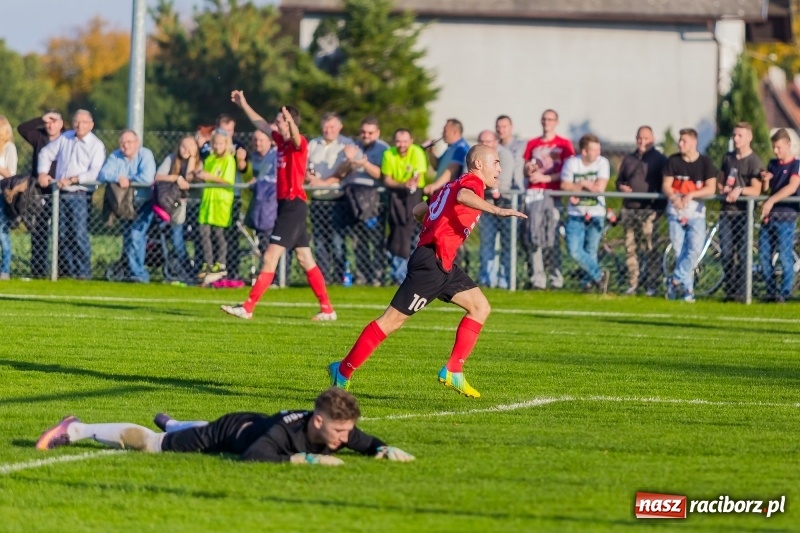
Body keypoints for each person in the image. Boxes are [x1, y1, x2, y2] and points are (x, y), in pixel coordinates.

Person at [327, 145, 527, 398]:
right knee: (391, 321)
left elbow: (417, 211)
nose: (499, 168)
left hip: (443, 261)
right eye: (496, 162)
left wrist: (437, 225)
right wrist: (498, 211)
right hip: (431, 262)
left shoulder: (449, 186)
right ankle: (342, 371)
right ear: (478, 164)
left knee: (480, 307)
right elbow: (465, 196)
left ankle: (453, 370)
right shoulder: (471, 183)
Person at [35, 387, 414, 465]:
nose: (345, 440)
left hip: (248, 423)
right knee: (153, 444)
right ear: (318, 421)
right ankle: (77, 429)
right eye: (339, 432)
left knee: (175, 431)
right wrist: (307, 462)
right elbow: (255, 456)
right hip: (231, 433)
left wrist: (382, 449)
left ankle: (176, 422)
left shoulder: (335, 429)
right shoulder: (283, 434)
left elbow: (362, 440)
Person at [222, 90, 336, 321]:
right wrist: (243, 103)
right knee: (305, 259)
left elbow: (295, 137)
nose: (275, 123)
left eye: (280, 120)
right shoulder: (280, 142)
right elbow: (261, 123)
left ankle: (248, 307)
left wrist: (291, 123)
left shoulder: (298, 143)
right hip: (287, 206)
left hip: (294, 205)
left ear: (289, 122)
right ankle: (327, 309)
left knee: (270, 257)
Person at [310, 116, 389, 286]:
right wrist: (350, 161)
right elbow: (344, 173)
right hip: (353, 197)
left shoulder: (384, 149)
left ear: (378, 133)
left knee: (375, 239)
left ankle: (377, 276)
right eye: (363, 132)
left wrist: (363, 164)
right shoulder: (355, 146)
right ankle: (361, 275)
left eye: (370, 132)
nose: (366, 135)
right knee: (357, 240)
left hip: (373, 198)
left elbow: (383, 176)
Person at [37, 109, 106, 280]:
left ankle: (83, 272)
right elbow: (45, 153)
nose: (79, 125)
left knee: (78, 234)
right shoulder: (66, 137)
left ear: (91, 125)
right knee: (61, 234)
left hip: (80, 195)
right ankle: (67, 271)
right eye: (76, 121)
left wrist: (73, 179)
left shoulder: (96, 145)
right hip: (60, 192)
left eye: (83, 122)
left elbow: (96, 173)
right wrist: (42, 173)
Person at [662, 128, 718, 303]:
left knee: (694, 250)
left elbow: (711, 188)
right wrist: (672, 196)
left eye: (684, 141)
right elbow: (666, 185)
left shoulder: (705, 163)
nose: (680, 144)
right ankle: (688, 290)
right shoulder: (673, 161)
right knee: (679, 252)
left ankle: (674, 280)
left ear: (694, 142)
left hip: (696, 214)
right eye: (680, 140)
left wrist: (692, 194)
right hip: (675, 213)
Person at [522, 109, 575, 290]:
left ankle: (556, 278)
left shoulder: (564, 143)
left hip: (554, 195)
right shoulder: (533, 143)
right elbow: (524, 169)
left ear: (556, 122)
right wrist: (529, 169)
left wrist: (547, 179)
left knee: (552, 236)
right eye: (544, 119)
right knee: (534, 235)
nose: (547, 122)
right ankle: (538, 279)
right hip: (535, 194)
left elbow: (569, 171)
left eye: (550, 119)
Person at [97, 130, 157, 283]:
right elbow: (104, 174)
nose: (125, 145)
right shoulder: (115, 156)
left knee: (136, 235)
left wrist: (128, 180)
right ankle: (132, 271)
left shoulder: (146, 155)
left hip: (144, 203)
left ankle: (139, 274)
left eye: (129, 142)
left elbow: (147, 178)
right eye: (122, 142)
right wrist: (118, 177)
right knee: (129, 238)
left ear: (137, 143)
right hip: (124, 204)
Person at [616, 126, 668, 296]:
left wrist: (658, 210)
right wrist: (621, 187)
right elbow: (619, 181)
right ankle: (633, 283)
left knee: (650, 248)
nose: (642, 141)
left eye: (646, 138)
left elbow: (665, 185)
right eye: (639, 138)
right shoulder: (629, 158)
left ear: (652, 139)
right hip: (630, 208)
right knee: (630, 248)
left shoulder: (659, 159)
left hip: (649, 210)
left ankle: (652, 284)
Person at [717, 123, 763, 302]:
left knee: (744, 254)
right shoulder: (728, 158)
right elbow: (720, 181)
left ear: (749, 137)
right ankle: (730, 291)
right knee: (727, 253)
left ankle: (743, 292)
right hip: (727, 213)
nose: (736, 139)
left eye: (740, 136)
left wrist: (739, 190)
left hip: (743, 214)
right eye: (734, 135)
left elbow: (756, 190)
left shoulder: (754, 161)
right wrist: (723, 189)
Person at [560, 133, 611, 293]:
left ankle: (588, 285)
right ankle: (599, 275)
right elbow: (564, 186)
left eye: (598, 149)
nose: (597, 153)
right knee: (574, 250)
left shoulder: (602, 162)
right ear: (584, 151)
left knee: (591, 250)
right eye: (594, 150)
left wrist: (577, 189)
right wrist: (583, 183)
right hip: (576, 214)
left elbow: (599, 188)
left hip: (596, 212)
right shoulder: (572, 163)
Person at [17, 110, 65, 278]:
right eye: (47, 122)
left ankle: (63, 269)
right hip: (39, 191)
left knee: (63, 231)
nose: (50, 125)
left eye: (54, 121)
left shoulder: (67, 139)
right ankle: (38, 269)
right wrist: (40, 118)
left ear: (61, 123)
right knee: (38, 229)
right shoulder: (39, 138)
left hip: (61, 190)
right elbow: (22, 129)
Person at [307, 112, 352, 283]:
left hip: (336, 199)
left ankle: (340, 276)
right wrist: (311, 178)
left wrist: (323, 182)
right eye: (326, 126)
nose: (328, 130)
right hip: (317, 199)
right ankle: (323, 277)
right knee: (319, 241)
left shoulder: (346, 145)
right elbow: (306, 166)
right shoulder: (314, 144)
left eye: (332, 126)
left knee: (337, 241)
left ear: (340, 127)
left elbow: (345, 172)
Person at [758, 128, 800, 302]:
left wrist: (771, 201)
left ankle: (785, 293)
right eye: (774, 147)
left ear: (788, 145)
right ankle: (770, 292)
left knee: (784, 255)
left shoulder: (796, 165)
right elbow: (766, 190)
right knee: (764, 256)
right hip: (770, 217)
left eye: (779, 147)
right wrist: (765, 180)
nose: (775, 151)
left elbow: (792, 187)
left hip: (787, 217)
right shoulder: (772, 164)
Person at [381, 128, 427, 284]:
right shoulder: (389, 154)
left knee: (412, 236)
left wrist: (411, 183)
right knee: (396, 234)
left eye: (405, 141)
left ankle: (410, 272)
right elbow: (387, 179)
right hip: (395, 196)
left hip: (414, 197)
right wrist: (403, 184)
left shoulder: (417, 152)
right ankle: (398, 274)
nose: (402, 145)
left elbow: (418, 175)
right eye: (399, 141)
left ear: (411, 141)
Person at [155, 135, 202, 273]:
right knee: (177, 238)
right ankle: (185, 268)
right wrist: (175, 178)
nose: (186, 149)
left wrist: (193, 158)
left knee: (198, 238)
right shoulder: (172, 159)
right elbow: (157, 176)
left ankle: (197, 269)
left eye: (190, 146)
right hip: (177, 205)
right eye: (183, 146)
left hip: (195, 206)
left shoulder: (200, 163)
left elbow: (189, 178)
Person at [196, 129, 237, 284]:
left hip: (221, 202)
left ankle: (221, 263)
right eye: (216, 143)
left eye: (221, 143)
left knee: (219, 234)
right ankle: (208, 262)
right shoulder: (210, 159)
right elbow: (207, 177)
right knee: (204, 233)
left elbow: (228, 181)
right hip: (208, 201)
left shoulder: (228, 160)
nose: (218, 146)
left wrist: (210, 177)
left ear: (226, 145)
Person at [476, 130, 516, 289]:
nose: (485, 145)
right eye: (482, 141)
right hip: (485, 206)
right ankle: (487, 280)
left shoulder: (504, 155)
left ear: (495, 142)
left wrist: (485, 185)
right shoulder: (476, 157)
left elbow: (502, 183)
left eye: (488, 141)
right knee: (487, 244)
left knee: (507, 246)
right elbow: (473, 182)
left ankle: (505, 281)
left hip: (505, 205)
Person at [422, 119, 470, 196]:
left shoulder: (461, 148)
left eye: (445, 131)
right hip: (441, 191)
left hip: (449, 193)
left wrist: (435, 186)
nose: (442, 133)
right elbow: (436, 166)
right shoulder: (450, 148)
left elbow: (452, 169)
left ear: (455, 132)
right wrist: (431, 152)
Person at [0, 116, 18, 280]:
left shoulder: (9, 148)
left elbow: (11, 174)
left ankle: (4, 270)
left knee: (1, 233)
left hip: (1, 193)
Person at [495, 115, 527, 192]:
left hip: (517, 189)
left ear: (511, 127)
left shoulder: (522, 145)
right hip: (499, 189)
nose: (500, 130)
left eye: (504, 126)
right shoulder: (494, 147)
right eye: (498, 127)